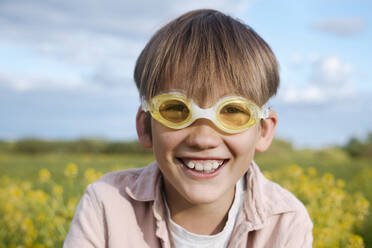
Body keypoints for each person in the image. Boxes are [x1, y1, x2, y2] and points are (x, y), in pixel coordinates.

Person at [64, 9, 313, 248]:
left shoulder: (285, 221)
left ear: (264, 131)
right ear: (145, 126)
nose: (203, 138)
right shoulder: (107, 205)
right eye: (176, 109)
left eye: (232, 111)